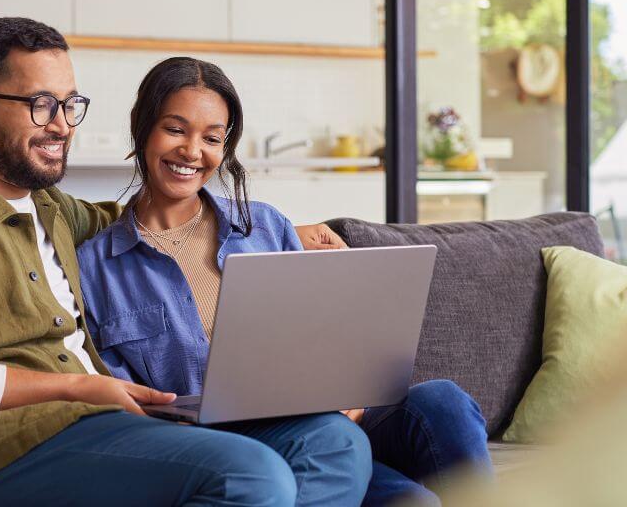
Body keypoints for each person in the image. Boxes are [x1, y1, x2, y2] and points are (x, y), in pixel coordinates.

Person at [0, 17, 372, 507]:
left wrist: (275, 231)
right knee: (251, 474)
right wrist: (75, 385)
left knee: (336, 444)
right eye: (40, 104)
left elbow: (151, 219)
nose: (62, 125)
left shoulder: (55, 212)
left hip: (104, 428)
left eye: (70, 105)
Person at [76, 56, 494, 506]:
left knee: (444, 402)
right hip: (237, 444)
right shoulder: (97, 267)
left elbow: (323, 336)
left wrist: (349, 387)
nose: (192, 152)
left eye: (212, 138)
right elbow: (129, 410)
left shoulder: (267, 228)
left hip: (334, 418)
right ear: (142, 127)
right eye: (175, 130)